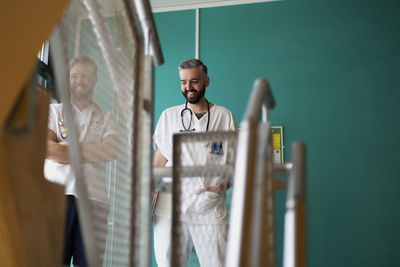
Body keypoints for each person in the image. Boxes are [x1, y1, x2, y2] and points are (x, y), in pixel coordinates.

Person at [153, 59, 237, 267]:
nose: (188, 87)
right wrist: (151, 197)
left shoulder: (224, 116)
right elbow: (158, 162)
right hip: (169, 205)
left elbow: (234, 167)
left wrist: (221, 186)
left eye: (194, 81)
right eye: (183, 82)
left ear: (206, 81)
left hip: (208, 204)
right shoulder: (169, 116)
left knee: (216, 263)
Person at [44, 55, 119, 266]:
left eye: (85, 77)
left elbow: (111, 151)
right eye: (74, 76)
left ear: (95, 80)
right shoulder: (53, 111)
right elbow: (47, 149)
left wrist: (67, 150)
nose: (79, 81)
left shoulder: (107, 118)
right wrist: (94, 150)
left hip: (95, 201)